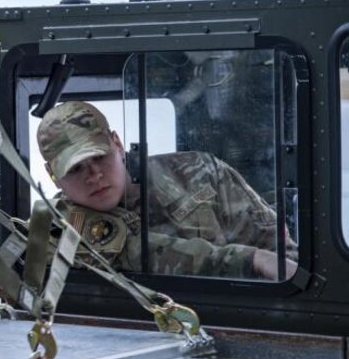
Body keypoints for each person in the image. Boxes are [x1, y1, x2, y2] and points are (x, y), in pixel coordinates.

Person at [36, 101, 298, 280]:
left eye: (99, 157)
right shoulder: (60, 231)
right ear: (54, 177)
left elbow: (282, 255)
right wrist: (253, 260)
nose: (94, 176)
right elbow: (155, 255)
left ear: (117, 144)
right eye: (75, 169)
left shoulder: (201, 171)